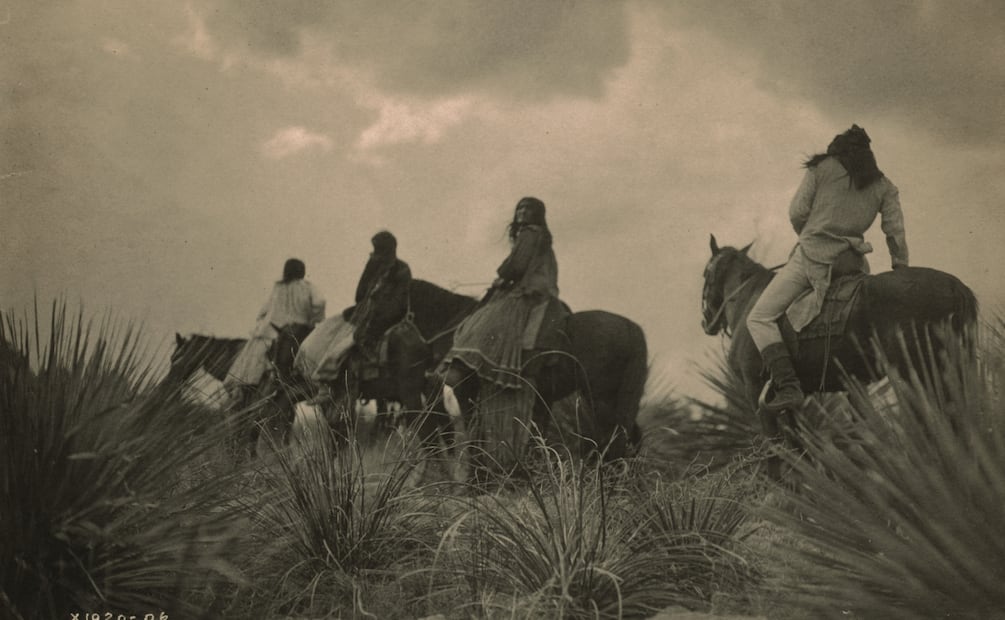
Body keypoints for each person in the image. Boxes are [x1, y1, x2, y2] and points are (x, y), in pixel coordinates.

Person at [746, 124, 909, 410]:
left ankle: (788, 386)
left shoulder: (821, 169)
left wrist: (811, 233)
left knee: (759, 317)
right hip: (853, 263)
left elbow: (797, 212)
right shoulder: (884, 185)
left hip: (813, 257)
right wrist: (900, 265)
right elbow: (894, 230)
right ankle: (859, 394)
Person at [441, 196, 566, 390]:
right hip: (540, 288)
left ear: (537, 214)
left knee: (484, 319)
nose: (522, 212)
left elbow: (517, 265)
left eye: (528, 209)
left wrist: (503, 277)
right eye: (520, 209)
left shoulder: (529, 233)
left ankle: (473, 367)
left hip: (528, 290)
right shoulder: (542, 237)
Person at [224, 258, 326, 400]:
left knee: (255, 353)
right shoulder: (309, 287)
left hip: (277, 330)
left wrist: (263, 322)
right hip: (302, 330)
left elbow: (265, 310)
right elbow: (320, 302)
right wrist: (313, 320)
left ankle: (247, 386)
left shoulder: (279, 287)